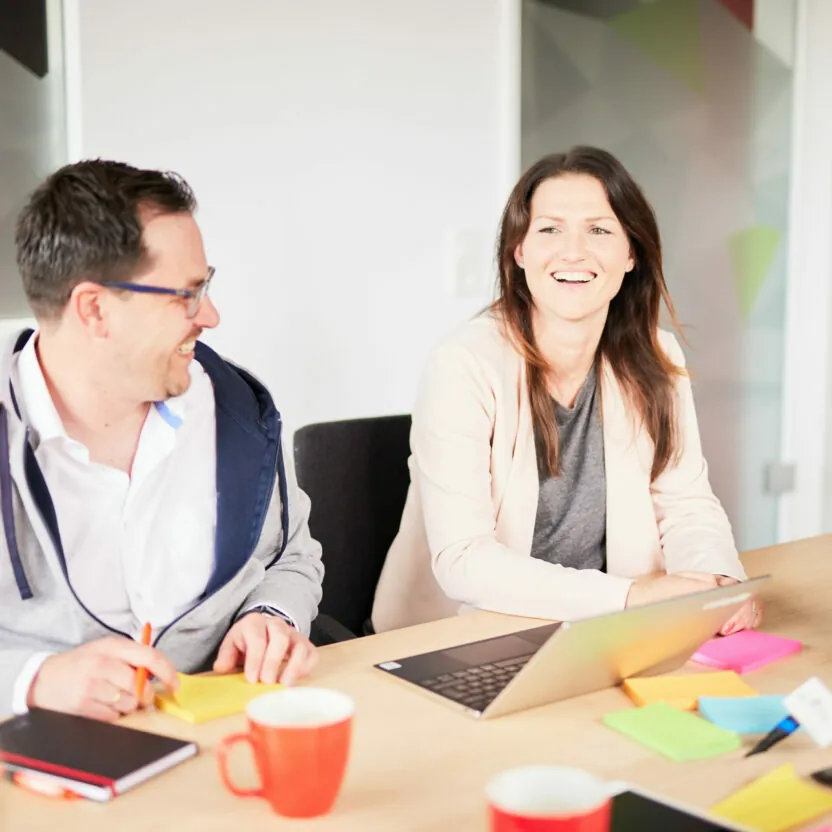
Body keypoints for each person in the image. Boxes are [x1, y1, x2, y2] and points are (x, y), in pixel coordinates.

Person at [372, 146, 760, 634]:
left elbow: (686, 503)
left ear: (630, 253)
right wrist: (631, 597)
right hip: (459, 637)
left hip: (600, 632)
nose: (573, 251)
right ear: (519, 251)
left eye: (599, 230)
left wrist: (718, 582)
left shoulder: (657, 359)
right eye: (550, 229)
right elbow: (463, 559)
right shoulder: (462, 364)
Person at [0, 160, 324, 721]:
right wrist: (33, 680)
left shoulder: (239, 409)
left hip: (221, 746)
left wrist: (273, 614)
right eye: (187, 295)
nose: (212, 316)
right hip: (38, 769)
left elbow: (292, 554)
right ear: (95, 309)